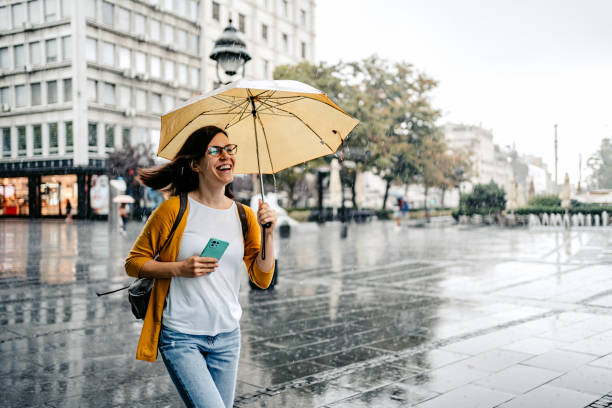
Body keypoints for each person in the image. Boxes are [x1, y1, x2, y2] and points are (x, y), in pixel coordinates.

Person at [124, 126, 276, 408]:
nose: (226, 155)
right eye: (215, 150)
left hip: (228, 337)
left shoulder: (243, 215)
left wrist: (268, 232)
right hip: (181, 337)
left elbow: (262, 277)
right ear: (195, 164)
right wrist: (179, 268)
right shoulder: (174, 210)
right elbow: (133, 263)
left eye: (229, 149)